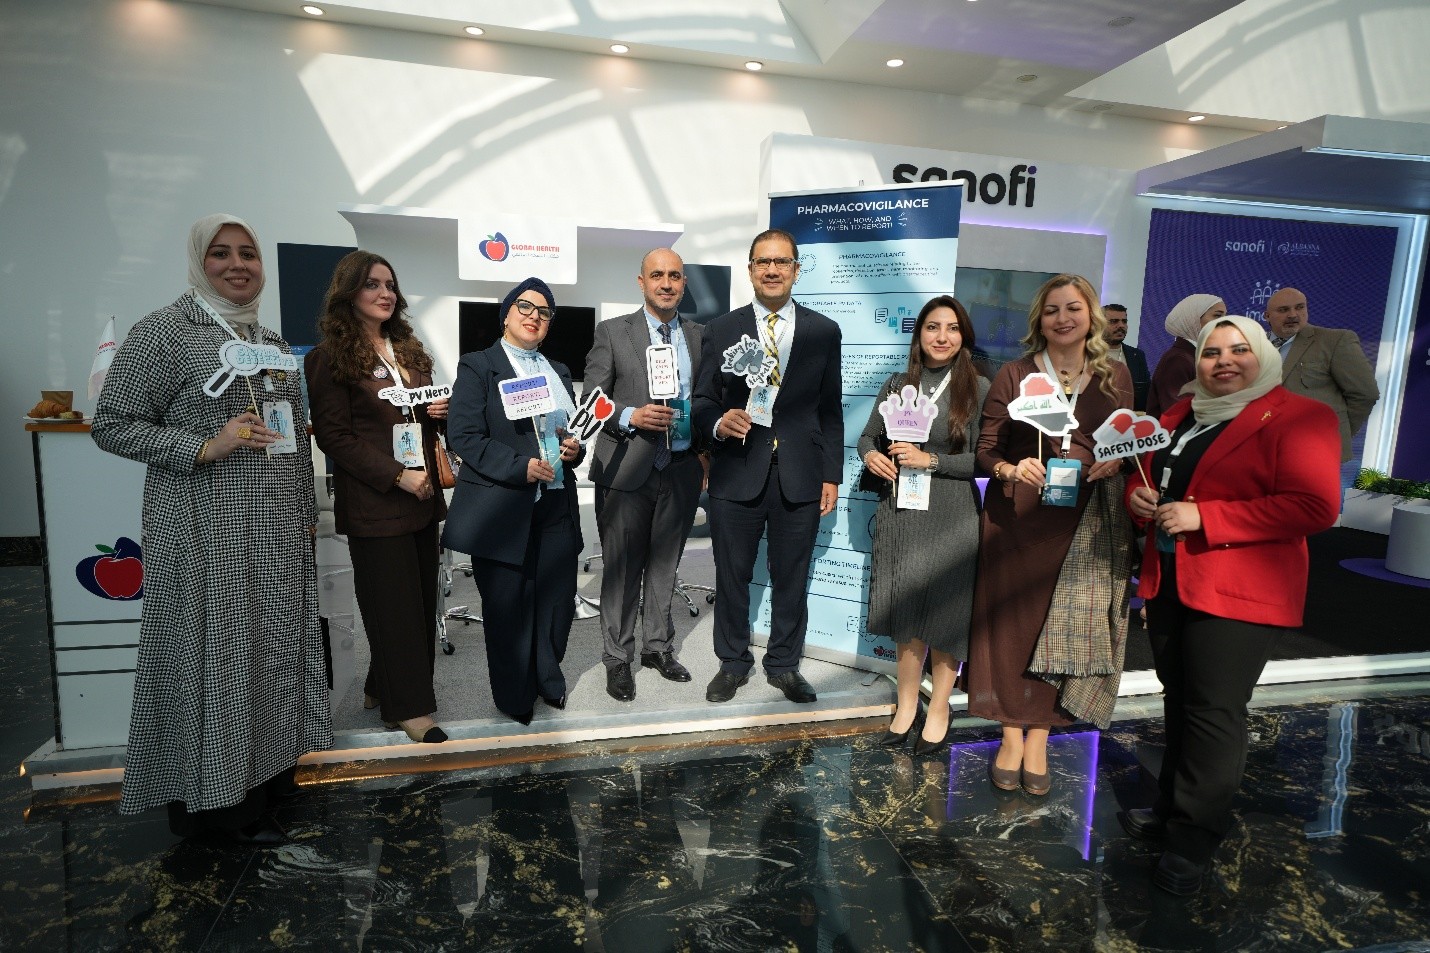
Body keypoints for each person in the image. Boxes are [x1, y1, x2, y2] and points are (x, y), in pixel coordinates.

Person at [91, 214, 333, 845]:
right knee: (218, 661)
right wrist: (203, 445)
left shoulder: (271, 342)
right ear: (199, 261)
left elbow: (291, 436)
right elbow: (111, 424)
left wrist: (304, 515)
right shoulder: (165, 331)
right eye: (221, 254)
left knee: (271, 655)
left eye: (248, 253)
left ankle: (270, 777)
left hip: (275, 533)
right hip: (204, 535)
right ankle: (220, 805)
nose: (237, 265)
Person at [1125, 315, 1341, 895]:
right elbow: (1151, 475)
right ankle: (1170, 810)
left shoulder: (1301, 417)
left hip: (1240, 590)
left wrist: (1206, 517)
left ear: (1263, 354)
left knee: (1214, 711)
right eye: (1211, 352)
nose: (1223, 361)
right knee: (1180, 700)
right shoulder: (1180, 414)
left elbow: (1314, 506)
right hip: (1172, 580)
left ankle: (1193, 840)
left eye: (1238, 350)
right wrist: (1138, 497)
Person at [966, 274, 1136, 797]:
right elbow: (986, 449)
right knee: (1012, 627)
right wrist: (1009, 469)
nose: (1063, 318)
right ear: (1038, 319)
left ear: (1091, 316)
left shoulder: (1114, 376)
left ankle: (1039, 735)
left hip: (1084, 523)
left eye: (1073, 308)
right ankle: (1009, 734)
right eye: (1052, 310)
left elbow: (1125, 441)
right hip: (1016, 520)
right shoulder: (1014, 373)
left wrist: (1115, 462)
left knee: (1058, 629)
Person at [692, 228, 843, 705]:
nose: (772, 270)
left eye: (782, 262)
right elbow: (701, 400)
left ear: (796, 270)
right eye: (763, 262)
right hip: (737, 469)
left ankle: (783, 664)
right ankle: (732, 662)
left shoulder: (823, 332)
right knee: (731, 574)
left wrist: (831, 473)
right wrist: (718, 422)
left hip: (801, 472)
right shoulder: (721, 329)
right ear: (751, 269)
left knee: (792, 577)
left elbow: (830, 410)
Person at [306, 250, 449, 744]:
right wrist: (396, 476)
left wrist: (440, 412)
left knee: (420, 602)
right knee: (393, 608)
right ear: (349, 293)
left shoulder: (408, 350)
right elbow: (334, 436)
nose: (385, 293)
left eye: (390, 284)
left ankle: (379, 683)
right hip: (377, 500)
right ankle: (408, 708)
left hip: (422, 496)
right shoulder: (328, 357)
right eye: (372, 284)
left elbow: (416, 418)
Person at [442, 277, 584, 725]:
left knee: (557, 602)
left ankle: (547, 677)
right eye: (524, 306)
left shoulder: (558, 371)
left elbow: (568, 431)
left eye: (544, 312)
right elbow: (463, 434)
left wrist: (572, 448)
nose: (533, 316)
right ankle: (514, 695)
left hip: (556, 501)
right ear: (506, 315)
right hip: (502, 506)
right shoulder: (479, 365)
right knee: (508, 608)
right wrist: (518, 466)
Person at [858, 295, 989, 755]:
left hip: (953, 514)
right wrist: (871, 456)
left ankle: (940, 709)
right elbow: (867, 436)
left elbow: (987, 459)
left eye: (952, 328)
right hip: (903, 513)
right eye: (933, 327)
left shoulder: (980, 389)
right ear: (919, 335)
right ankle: (907, 705)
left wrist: (932, 460)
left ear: (963, 336)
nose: (942, 337)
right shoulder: (898, 384)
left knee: (947, 615)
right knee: (908, 613)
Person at [585, 248, 705, 702]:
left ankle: (658, 648)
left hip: (680, 467)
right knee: (621, 569)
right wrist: (629, 415)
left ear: (684, 283)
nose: (666, 283)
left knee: (664, 567)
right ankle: (617, 658)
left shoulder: (699, 336)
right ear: (641, 282)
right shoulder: (613, 332)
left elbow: (708, 398)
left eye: (674, 275)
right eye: (657, 275)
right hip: (626, 467)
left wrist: (704, 453)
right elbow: (592, 398)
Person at [1264, 286, 1379, 462]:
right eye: (1283, 310)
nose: (1293, 315)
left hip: (1317, 452)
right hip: (1262, 451)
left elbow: (1365, 394)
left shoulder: (1335, 341)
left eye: (1300, 307)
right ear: (1267, 316)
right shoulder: (1252, 344)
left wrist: (1337, 431)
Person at [1146, 294, 1225, 419]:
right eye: (1217, 315)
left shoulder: (1196, 357)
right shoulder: (1178, 360)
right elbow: (1176, 414)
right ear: (1193, 319)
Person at [1102, 303, 1151, 411]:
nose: (1121, 326)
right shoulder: (1087, 353)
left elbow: (1145, 394)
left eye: (1124, 321)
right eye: (1114, 321)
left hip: (1127, 417)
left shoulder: (1137, 356)